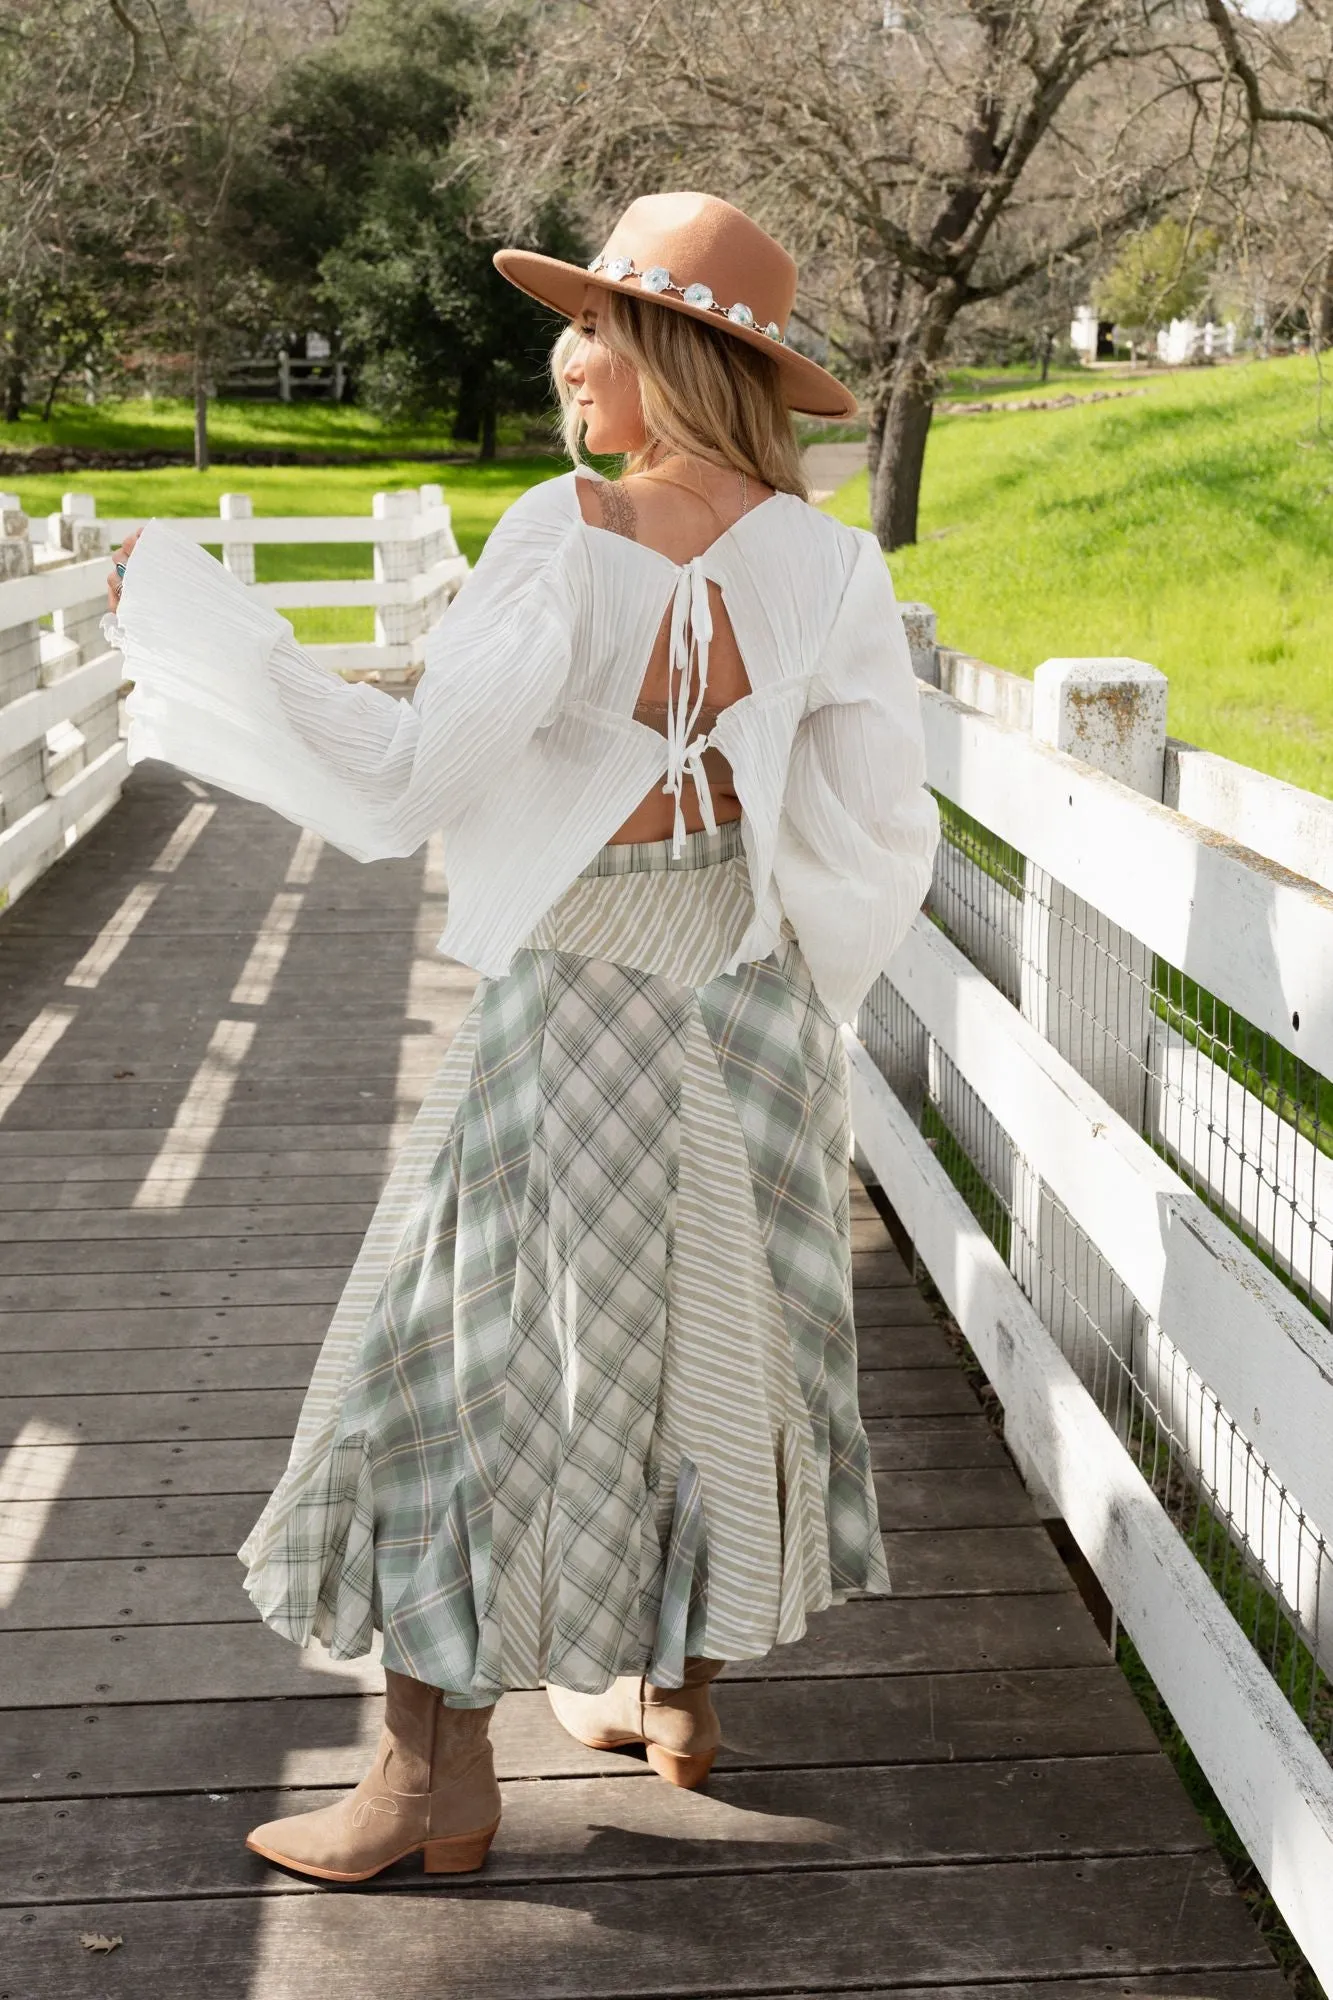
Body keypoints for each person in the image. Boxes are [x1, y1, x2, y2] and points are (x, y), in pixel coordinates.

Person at [104, 191, 940, 1886]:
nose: (567, 362)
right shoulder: (834, 567)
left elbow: (416, 772)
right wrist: (780, 977)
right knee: (733, 1350)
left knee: (466, 1367)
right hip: (753, 1011)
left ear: (675, 357)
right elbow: (871, 838)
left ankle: (431, 1787)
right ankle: (679, 1701)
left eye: (594, 328)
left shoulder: (566, 533)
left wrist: (204, 626)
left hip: (581, 1011)